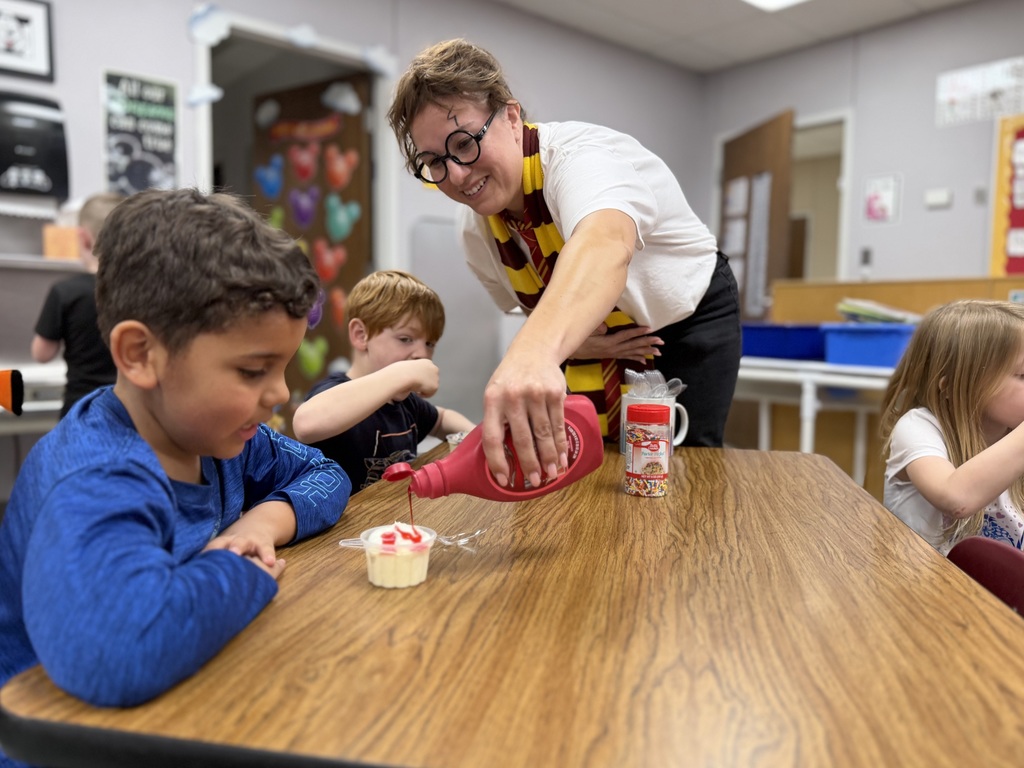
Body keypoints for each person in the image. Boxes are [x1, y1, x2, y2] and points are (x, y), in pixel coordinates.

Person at [0, 188, 352, 736]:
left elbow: (327, 474)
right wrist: (240, 566)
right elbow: (119, 652)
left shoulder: (224, 439)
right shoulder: (97, 478)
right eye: (253, 371)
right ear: (141, 355)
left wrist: (263, 522)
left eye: (282, 367)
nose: (280, 393)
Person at [387, 38, 741, 490]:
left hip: (681, 317)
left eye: (464, 142)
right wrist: (574, 345)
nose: (456, 175)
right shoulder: (476, 231)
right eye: (434, 161)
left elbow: (605, 242)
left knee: (678, 472)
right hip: (590, 338)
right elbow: (536, 310)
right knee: (582, 468)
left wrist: (535, 354)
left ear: (512, 117)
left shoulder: (579, 158)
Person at [292, 269, 475, 492]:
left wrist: (479, 439)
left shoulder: (405, 403)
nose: (421, 354)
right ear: (361, 335)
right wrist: (403, 374)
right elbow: (305, 424)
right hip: (347, 524)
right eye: (405, 339)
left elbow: (442, 419)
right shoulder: (337, 392)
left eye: (430, 344)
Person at [880, 299, 1024, 555]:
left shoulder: (1013, 433)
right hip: (921, 589)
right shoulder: (917, 427)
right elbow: (957, 499)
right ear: (951, 385)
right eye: (1022, 375)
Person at [31, 192, 124, 418]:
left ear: (83, 238)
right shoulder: (143, 291)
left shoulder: (65, 292)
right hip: (129, 411)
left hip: (81, 408)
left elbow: (41, 354)